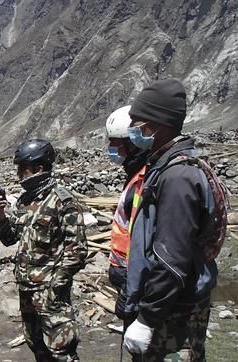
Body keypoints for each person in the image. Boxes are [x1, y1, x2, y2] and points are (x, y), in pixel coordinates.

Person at [123, 79, 227, 360]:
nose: (132, 129)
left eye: (137, 122)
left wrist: (147, 319)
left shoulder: (178, 177)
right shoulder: (168, 166)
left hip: (174, 315)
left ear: (157, 123)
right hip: (171, 307)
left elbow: (172, 259)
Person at [0, 139, 87, 361]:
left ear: (39, 168)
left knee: (60, 349)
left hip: (50, 291)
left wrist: (57, 284)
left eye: (22, 169)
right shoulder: (25, 202)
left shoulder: (63, 201)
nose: (18, 175)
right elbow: (8, 239)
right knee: (36, 344)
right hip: (26, 289)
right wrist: (1, 214)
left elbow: (78, 250)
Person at [105, 106, 149, 326]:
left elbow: (143, 241)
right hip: (128, 280)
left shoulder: (144, 180)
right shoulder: (135, 175)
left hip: (137, 285)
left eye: (115, 143)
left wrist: (131, 289)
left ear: (131, 142)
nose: (111, 149)